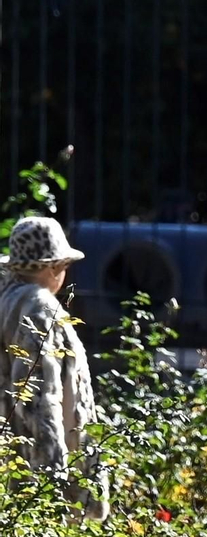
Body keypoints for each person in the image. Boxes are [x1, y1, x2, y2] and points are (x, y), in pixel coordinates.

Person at [0, 216, 108, 519]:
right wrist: (53, 481)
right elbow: (40, 401)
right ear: (52, 268)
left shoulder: (7, 300)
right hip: (34, 461)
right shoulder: (39, 308)